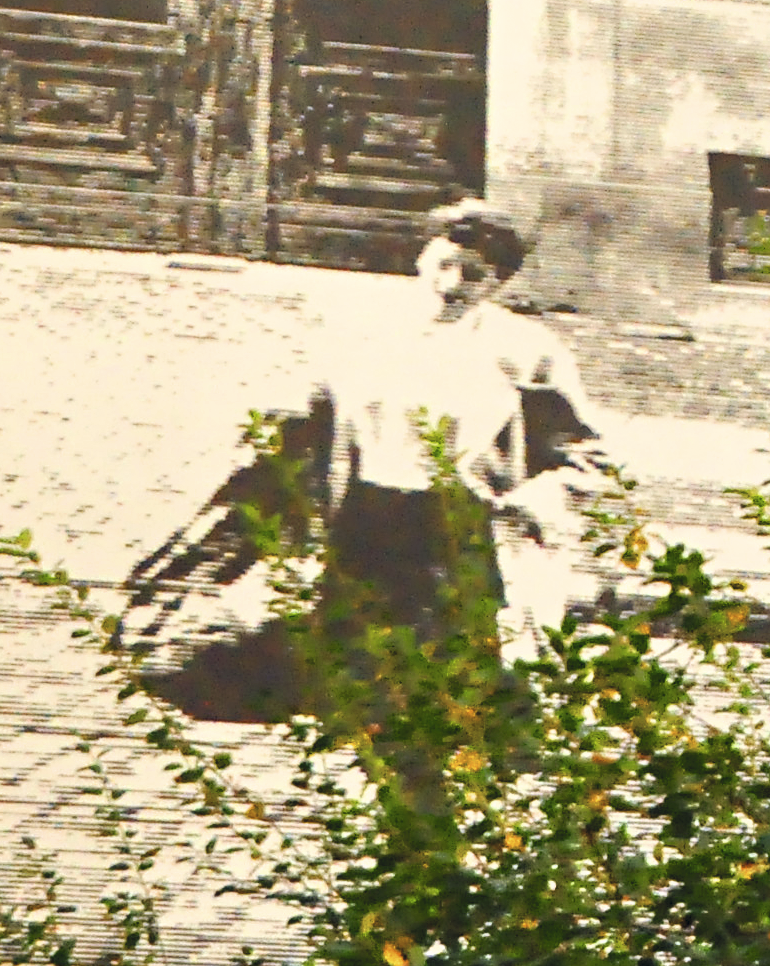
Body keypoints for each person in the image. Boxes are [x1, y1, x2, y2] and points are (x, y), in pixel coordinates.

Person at [135, 199, 612, 722]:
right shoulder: (364, 334)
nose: (451, 285)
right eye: (443, 265)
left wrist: (524, 501)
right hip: (366, 511)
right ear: (421, 260)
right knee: (353, 656)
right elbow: (307, 423)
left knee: (453, 670)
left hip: (460, 520)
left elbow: (584, 454)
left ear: (498, 284)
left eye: (474, 276)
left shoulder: (524, 353)